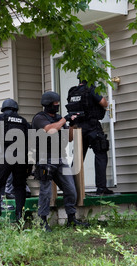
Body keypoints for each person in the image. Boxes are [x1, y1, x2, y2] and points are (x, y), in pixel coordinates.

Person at [32, 91, 89, 231]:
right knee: (46, 192)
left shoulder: (58, 118)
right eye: (54, 104)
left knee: (71, 190)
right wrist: (65, 119)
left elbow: (69, 138)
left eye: (58, 104)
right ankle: (42, 222)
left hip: (60, 158)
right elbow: (50, 130)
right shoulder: (39, 118)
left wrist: (72, 124)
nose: (56, 106)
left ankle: (71, 219)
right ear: (47, 104)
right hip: (45, 158)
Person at [66, 72, 113, 195]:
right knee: (101, 154)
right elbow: (104, 103)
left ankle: (72, 188)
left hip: (78, 128)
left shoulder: (72, 92)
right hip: (92, 127)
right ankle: (101, 188)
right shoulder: (91, 89)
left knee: (77, 158)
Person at [0, 98, 30, 228]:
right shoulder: (23, 121)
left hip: (3, 156)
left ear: (3, 109)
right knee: (19, 186)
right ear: (16, 109)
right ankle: (19, 215)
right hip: (21, 157)